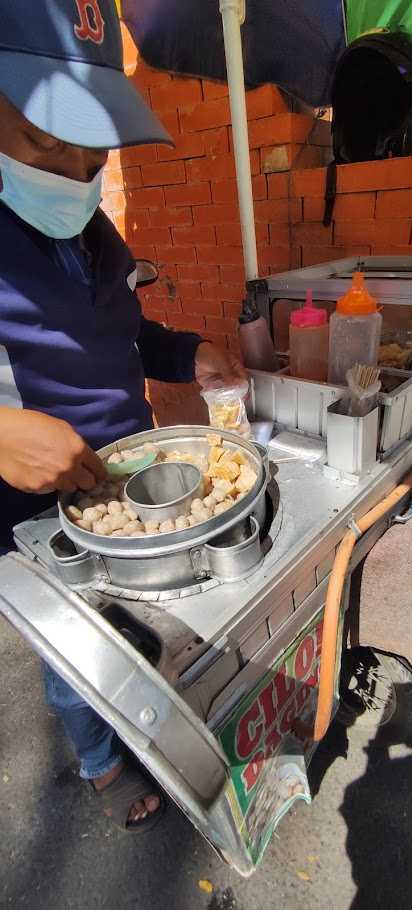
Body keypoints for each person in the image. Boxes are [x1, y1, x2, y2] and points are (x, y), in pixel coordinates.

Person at [0, 0, 246, 832]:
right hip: (32, 513)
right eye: (43, 138)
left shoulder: (89, 227)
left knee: (134, 629)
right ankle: (101, 759)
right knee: (74, 656)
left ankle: (142, 725)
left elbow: (124, 330)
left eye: (91, 138)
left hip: (124, 476)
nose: (73, 168)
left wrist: (186, 354)